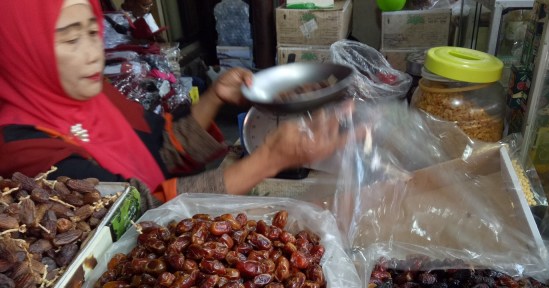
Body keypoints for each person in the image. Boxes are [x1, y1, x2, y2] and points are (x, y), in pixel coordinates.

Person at [0, 0, 351, 211]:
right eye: (71, 38)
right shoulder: (24, 150)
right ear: (20, 48)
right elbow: (137, 215)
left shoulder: (93, 96)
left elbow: (163, 152)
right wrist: (269, 159)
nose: (92, 52)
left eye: (93, 33)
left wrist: (215, 98)